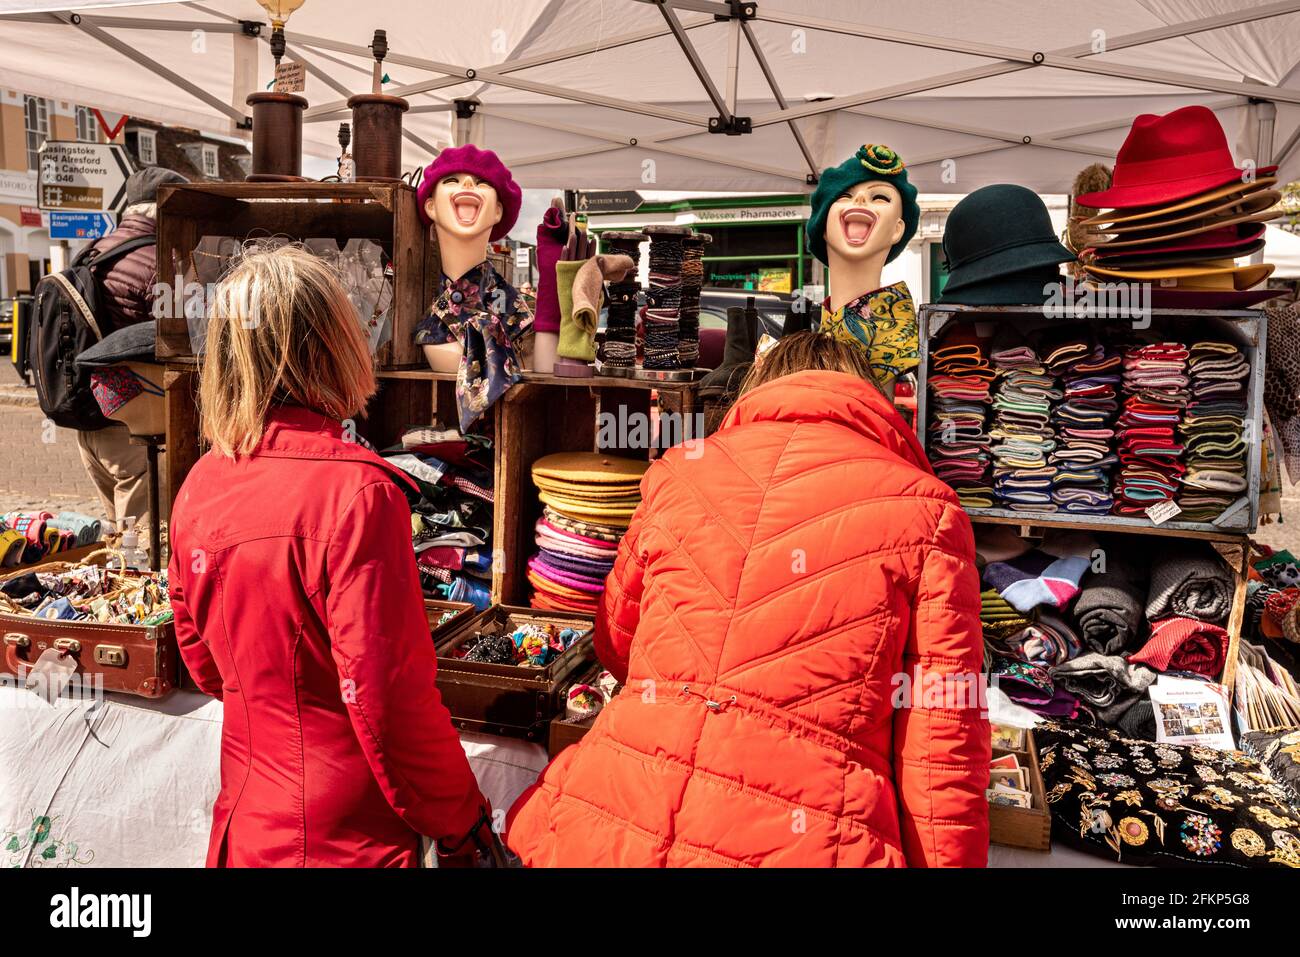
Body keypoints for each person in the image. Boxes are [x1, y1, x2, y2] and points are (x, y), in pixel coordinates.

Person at [507, 332, 990, 867]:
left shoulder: (679, 472)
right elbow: (942, 746)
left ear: (758, 388)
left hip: (612, 818)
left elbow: (615, 643)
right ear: (869, 397)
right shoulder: (928, 512)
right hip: (808, 836)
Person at [168, 244, 489, 867]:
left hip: (247, 817)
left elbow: (205, 665)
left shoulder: (202, 482)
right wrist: (462, 822)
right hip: (343, 834)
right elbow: (389, 701)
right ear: (333, 344)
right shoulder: (358, 492)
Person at [75, 166, 188, 534]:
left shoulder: (90, 253)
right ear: (165, 210)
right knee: (145, 551)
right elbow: (184, 343)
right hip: (137, 427)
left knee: (118, 545)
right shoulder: (161, 265)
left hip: (92, 421)